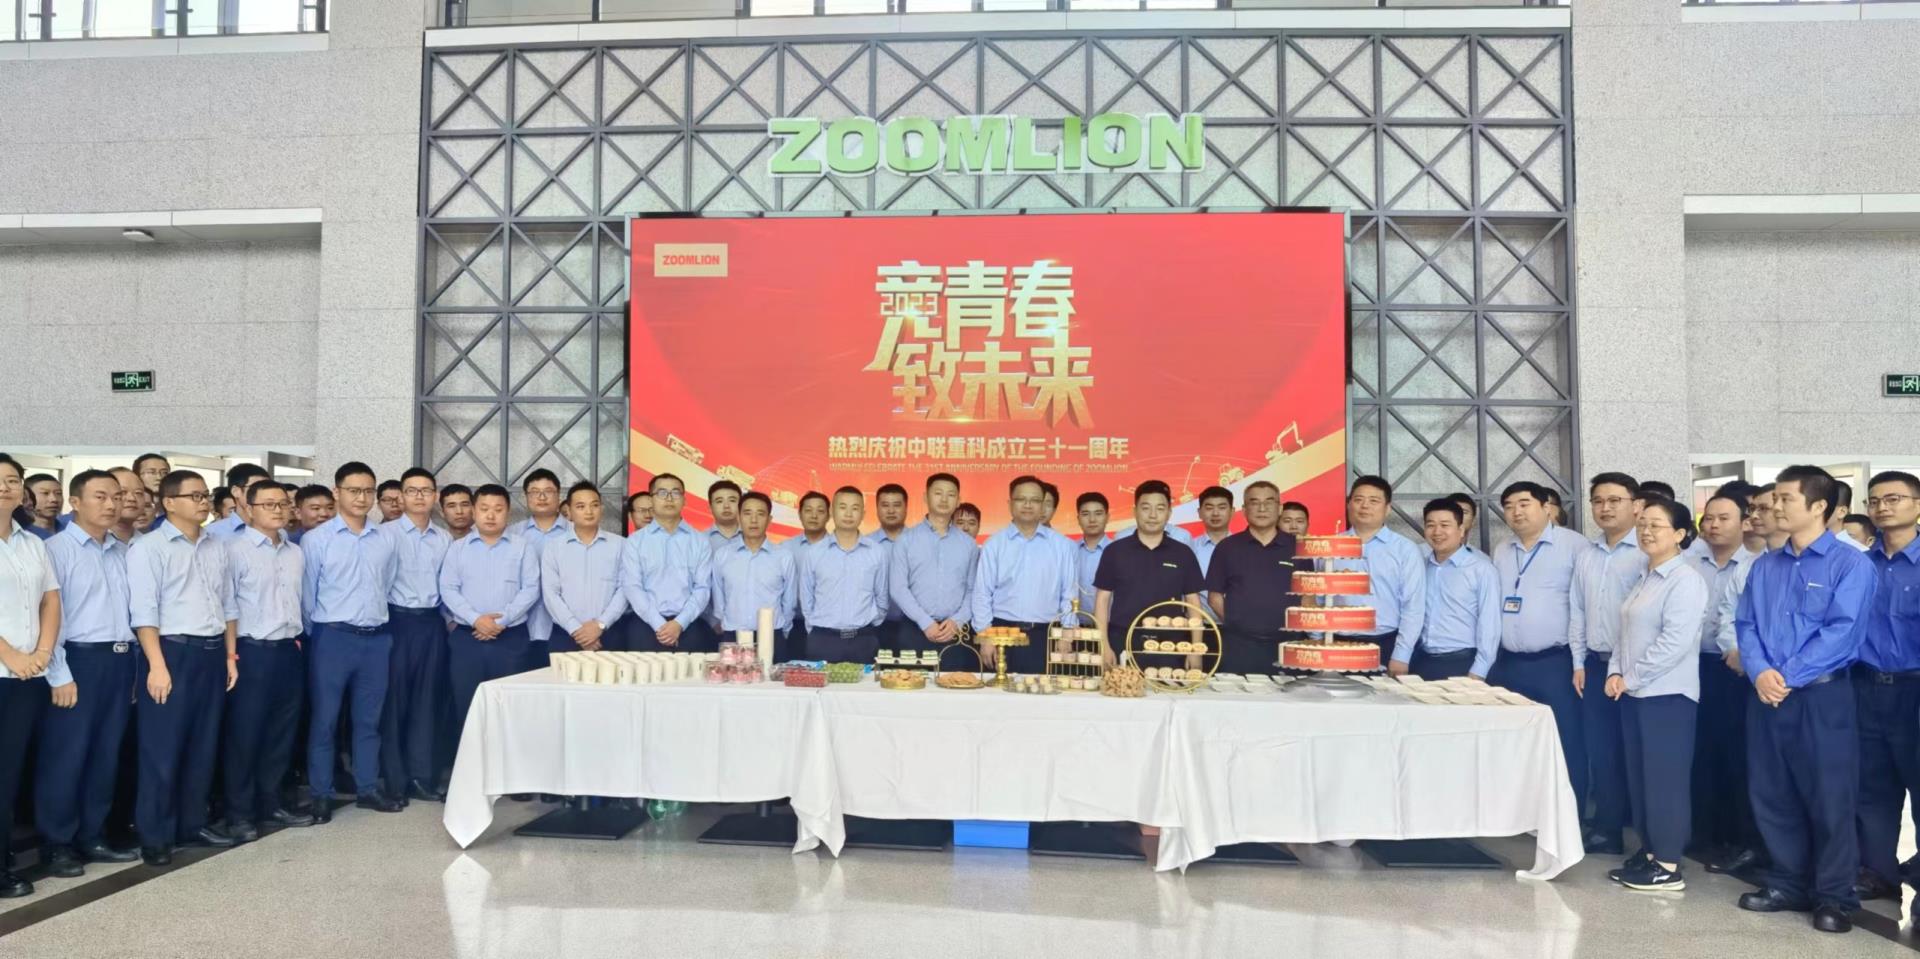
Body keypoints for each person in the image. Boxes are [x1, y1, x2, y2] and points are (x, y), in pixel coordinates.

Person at [1735, 465, 1873, 933]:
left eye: (1785, 499)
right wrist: (1760, 672)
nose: (1774, 507)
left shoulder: (1850, 564)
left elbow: (1843, 631)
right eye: (1774, 498)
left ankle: (1835, 895)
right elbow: (1746, 624)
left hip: (1821, 695)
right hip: (1767, 694)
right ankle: (1787, 882)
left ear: (1819, 507)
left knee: (1830, 797)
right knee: (1772, 792)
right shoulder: (1765, 566)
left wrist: (1785, 676)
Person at [127, 469, 237, 865]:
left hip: (212, 653)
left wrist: (230, 656)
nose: (203, 502)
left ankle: (193, 823)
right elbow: (144, 613)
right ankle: (156, 835)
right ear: (169, 502)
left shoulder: (215, 545)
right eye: (195, 496)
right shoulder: (149, 548)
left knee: (203, 744)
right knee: (162, 748)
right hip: (172, 653)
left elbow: (228, 605)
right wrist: (156, 666)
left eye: (205, 495)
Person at [36, 470, 142, 878]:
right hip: (77, 661)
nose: (112, 504)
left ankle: (92, 835)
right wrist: (58, 673)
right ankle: (57, 843)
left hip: (120, 661)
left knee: (105, 753)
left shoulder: (121, 550)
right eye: (100, 496)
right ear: (75, 503)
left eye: (116, 496)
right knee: (67, 755)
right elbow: (49, 616)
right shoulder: (56, 550)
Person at [1604, 495, 1710, 892]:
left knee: (1665, 781)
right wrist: (1616, 672)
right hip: (1636, 694)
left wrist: (1629, 677)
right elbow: (1625, 632)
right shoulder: (1645, 577)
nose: (1646, 531)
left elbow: (1674, 643)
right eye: (1642, 524)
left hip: (1668, 697)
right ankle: (1650, 852)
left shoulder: (1685, 581)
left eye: (1656, 525)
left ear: (1680, 534)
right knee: (1641, 779)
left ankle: (1667, 863)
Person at [300, 461, 404, 822]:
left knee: (368, 720)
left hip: (375, 640)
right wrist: (320, 635)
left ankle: (367, 788)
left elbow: (387, 583)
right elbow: (307, 596)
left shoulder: (385, 538)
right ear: (337, 492)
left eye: (368, 491)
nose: (362, 498)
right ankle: (321, 793)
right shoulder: (317, 540)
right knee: (325, 720)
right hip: (332, 638)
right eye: (354, 490)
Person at [218, 479, 314, 841]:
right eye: (268, 504)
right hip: (251, 651)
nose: (278, 510)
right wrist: (231, 655)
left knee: (281, 732)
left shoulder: (294, 552)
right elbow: (226, 606)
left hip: (288, 649)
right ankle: (239, 813)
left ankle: (270, 803)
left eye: (283, 504)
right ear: (249, 508)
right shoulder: (233, 550)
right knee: (245, 734)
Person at [1487, 480, 1587, 808]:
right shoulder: (1502, 549)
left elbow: (1583, 606)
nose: (1516, 511)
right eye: (1509, 506)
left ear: (1547, 507)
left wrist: (1579, 661)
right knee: (1516, 741)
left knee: (1566, 739)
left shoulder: (1575, 546)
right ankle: (1522, 812)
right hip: (1510, 663)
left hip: (1556, 662)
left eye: (1524, 503)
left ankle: (1571, 813)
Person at [1851, 470, 1920, 903]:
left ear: (1917, 505)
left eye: (1894, 498)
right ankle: (1878, 872)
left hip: (1915, 688)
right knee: (1872, 787)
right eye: (1874, 500)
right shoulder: (1859, 564)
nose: (1882, 507)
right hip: (1866, 685)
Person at [1570, 472, 1648, 856]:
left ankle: (1652, 842)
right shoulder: (1587, 554)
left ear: (1637, 506)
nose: (1605, 508)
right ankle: (1607, 830)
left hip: (1638, 670)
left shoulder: (1647, 552)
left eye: (1615, 500)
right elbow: (1577, 611)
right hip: (1596, 666)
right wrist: (1578, 661)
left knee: (1638, 754)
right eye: (1598, 501)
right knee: (1601, 752)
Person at [1689, 490, 1763, 875]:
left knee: (1736, 753)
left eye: (1723, 518)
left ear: (1744, 523)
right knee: (1700, 752)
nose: (1713, 525)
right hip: (1690, 666)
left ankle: (1738, 838)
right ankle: (1703, 833)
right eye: (1709, 518)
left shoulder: (1754, 566)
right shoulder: (1687, 563)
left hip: (1734, 670)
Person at [0, 454, 60, 896]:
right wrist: (9, 655)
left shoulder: (32, 543)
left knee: (8, 774)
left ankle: (3, 863)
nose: (5, 487)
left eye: (12, 480)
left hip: (27, 677)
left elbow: (50, 600)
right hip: (8, 668)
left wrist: (41, 652)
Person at [440, 485, 541, 734]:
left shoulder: (523, 547)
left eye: (498, 509)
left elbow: (530, 589)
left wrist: (500, 621)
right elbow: (448, 589)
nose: (491, 515)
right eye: (484, 509)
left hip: (511, 639)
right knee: (467, 705)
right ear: (474, 511)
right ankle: (470, 758)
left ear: (508, 512)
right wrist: (476, 620)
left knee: (509, 709)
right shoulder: (457, 548)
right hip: (467, 638)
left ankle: (506, 759)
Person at [380, 467, 452, 805]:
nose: (419, 496)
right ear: (401, 496)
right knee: (394, 702)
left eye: (426, 490)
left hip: (431, 623)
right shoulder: (385, 534)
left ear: (435, 496)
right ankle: (395, 779)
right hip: (395, 621)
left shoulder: (444, 539)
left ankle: (422, 776)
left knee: (427, 702)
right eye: (412, 490)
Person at [970, 476, 1075, 675]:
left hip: (1045, 635)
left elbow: (1068, 593)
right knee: (998, 693)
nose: (1027, 505)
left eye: (1034, 500)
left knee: (1043, 693)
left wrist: (1067, 633)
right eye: (1021, 499)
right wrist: (985, 637)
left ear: (1043, 505)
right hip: (1001, 634)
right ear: (1010, 503)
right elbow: (982, 593)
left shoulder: (1061, 545)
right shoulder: (995, 544)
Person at [1095, 481, 1204, 666]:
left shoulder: (1183, 553)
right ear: (1135, 511)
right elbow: (1102, 600)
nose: (1153, 515)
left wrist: (1196, 649)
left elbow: (1193, 602)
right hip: (1123, 639)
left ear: (1169, 513)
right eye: (1146, 508)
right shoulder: (1114, 551)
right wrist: (1103, 645)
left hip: (1170, 643)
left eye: (1160, 508)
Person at [1390, 499, 1499, 681]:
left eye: (1445, 525)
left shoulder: (1481, 569)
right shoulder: (1420, 566)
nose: (1437, 532)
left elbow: (1490, 624)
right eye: (1430, 525)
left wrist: (1479, 670)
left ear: (1461, 530)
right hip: (1421, 660)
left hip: (1463, 662)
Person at [1205, 481, 1300, 675]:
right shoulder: (1227, 547)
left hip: (1289, 645)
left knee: (1290, 694)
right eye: (1254, 502)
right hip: (1239, 646)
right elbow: (1214, 597)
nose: (1262, 509)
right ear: (1244, 510)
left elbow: (1307, 597)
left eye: (1269, 502)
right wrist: (1238, 624)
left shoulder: (1298, 548)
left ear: (1279, 508)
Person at [1328, 476, 1424, 666]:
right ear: (1348, 504)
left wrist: (1401, 655)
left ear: (1387, 508)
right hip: (1336, 643)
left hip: (1385, 644)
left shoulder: (1405, 549)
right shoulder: (1330, 546)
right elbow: (1318, 599)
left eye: (1374, 501)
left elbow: (1413, 606)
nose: (1365, 506)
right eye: (1358, 499)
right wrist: (1318, 641)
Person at [619, 474, 715, 652]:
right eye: (662, 493)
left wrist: (679, 623)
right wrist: (659, 624)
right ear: (651, 499)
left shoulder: (700, 541)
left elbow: (703, 588)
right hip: (646, 626)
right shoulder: (635, 541)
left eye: (675, 493)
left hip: (688, 625)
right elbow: (632, 587)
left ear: (684, 500)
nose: (669, 498)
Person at [889, 474, 976, 656]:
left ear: (958, 500)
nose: (944, 499)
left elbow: (972, 590)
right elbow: (898, 588)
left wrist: (957, 621)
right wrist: (925, 622)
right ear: (925, 497)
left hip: (956, 633)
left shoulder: (968, 544)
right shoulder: (906, 540)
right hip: (914, 629)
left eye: (950, 494)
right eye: (938, 493)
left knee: (957, 675)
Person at [800, 487, 888, 663]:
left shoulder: (877, 552)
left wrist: (868, 625)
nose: (848, 514)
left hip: (863, 640)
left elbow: (882, 598)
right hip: (823, 639)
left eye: (855, 508)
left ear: (863, 514)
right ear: (832, 511)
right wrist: (816, 629)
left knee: (866, 682)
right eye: (842, 507)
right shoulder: (814, 552)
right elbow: (806, 597)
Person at [542, 482, 628, 658]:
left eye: (594, 505)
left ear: (601, 508)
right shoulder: (554, 547)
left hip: (610, 633)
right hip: (565, 634)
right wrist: (576, 629)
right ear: (568, 511)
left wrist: (600, 625)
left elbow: (625, 589)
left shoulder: (621, 545)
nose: (589, 511)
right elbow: (550, 593)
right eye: (581, 506)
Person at [710, 491, 797, 659]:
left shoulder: (783, 557)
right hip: (733, 637)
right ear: (739, 517)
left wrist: (783, 631)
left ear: (769, 520)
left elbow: (789, 602)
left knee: (773, 676)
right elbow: (718, 597)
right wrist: (723, 623)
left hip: (772, 636)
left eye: (760, 514)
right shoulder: (723, 555)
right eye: (747, 513)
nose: (754, 520)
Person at [517, 469, 566, 668]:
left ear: (559, 495)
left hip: (565, 630)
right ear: (526, 497)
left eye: (548, 491)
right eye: (535, 492)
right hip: (519, 630)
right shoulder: (512, 534)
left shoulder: (575, 533)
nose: (542, 497)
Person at [780, 491, 831, 658]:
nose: (814, 516)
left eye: (820, 511)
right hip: (794, 624)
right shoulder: (785, 548)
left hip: (828, 625)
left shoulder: (837, 548)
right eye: (808, 510)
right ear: (800, 515)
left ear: (829, 515)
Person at [865, 483, 911, 640]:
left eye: (897, 505)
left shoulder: (919, 542)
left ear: (906, 508)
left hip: (914, 625)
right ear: (877, 508)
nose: (891, 511)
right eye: (885, 505)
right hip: (873, 627)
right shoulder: (865, 545)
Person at [1072, 492, 1112, 616]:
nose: (1092, 519)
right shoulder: (1070, 550)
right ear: (1078, 519)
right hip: (1075, 624)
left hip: (1109, 624)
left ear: (1107, 517)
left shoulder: (1117, 551)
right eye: (1085, 514)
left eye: (1098, 514)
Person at [210, 463, 272, 540]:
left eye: (268, 488)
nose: (264, 494)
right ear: (236, 491)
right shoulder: (212, 533)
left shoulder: (278, 531)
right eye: (255, 488)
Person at [1193, 486, 1234, 593]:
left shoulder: (1244, 548)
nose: (1215, 513)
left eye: (1222, 507)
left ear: (1232, 511)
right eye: (1209, 508)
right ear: (1199, 512)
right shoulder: (1190, 548)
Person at [107, 468, 144, 544]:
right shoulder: (90, 541)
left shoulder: (149, 543)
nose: (132, 498)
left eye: (138, 493)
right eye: (123, 492)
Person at [705, 480, 743, 550]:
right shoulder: (699, 540)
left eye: (732, 500)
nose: (726, 506)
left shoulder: (756, 539)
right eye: (719, 501)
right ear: (710, 507)